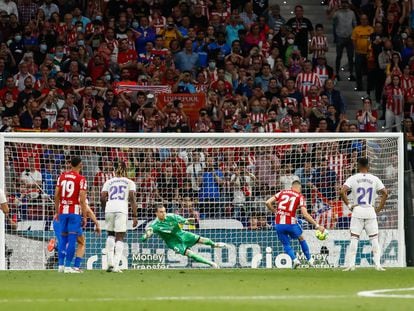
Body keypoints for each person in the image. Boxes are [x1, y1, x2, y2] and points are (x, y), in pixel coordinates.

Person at [339, 158, 388, 271]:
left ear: (358, 165)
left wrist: (350, 205)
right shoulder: (374, 178)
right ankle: (378, 265)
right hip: (370, 211)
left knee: (354, 238)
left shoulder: (353, 178)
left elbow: (342, 191)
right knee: (374, 238)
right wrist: (379, 208)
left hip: (358, 210)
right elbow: (385, 192)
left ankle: (351, 265)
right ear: (368, 166)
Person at [140, 205, 226, 268]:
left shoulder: (172, 216)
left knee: (203, 239)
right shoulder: (155, 224)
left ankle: (214, 244)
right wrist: (146, 236)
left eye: (164, 211)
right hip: (173, 242)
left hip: (182, 234)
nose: (164, 213)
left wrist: (189, 221)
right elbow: (148, 232)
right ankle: (211, 264)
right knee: (190, 254)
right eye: (161, 212)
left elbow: (184, 221)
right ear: (156, 213)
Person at [265, 180, 325, 269]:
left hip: (278, 224)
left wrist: (275, 212)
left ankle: (295, 261)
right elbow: (305, 214)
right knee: (301, 238)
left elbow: (267, 202)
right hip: (291, 223)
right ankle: (310, 260)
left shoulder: (282, 192)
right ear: (299, 188)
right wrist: (317, 225)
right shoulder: (300, 196)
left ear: (291, 187)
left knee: (286, 244)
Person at [101, 161, 137, 273]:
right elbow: (131, 197)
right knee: (120, 236)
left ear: (114, 170)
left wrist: (104, 209)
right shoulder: (129, 182)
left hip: (110, 208)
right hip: (122, 209)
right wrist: (135, 215)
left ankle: (109, 262)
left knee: (110, 234)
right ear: (126, 170)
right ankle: (116, 265)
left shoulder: (109, 181)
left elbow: (102, 197)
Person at [54, 156, 88, 273]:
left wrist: (57, 211)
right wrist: (84, 216)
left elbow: (56, 195)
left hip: (62, 211)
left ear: (70, 165)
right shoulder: (81, 179)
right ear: (80, 165)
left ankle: (60, 266)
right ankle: (68, 267)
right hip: (74, 212)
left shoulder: (61, 177)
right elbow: (83, 200)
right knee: (72, 239)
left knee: (63, 238)